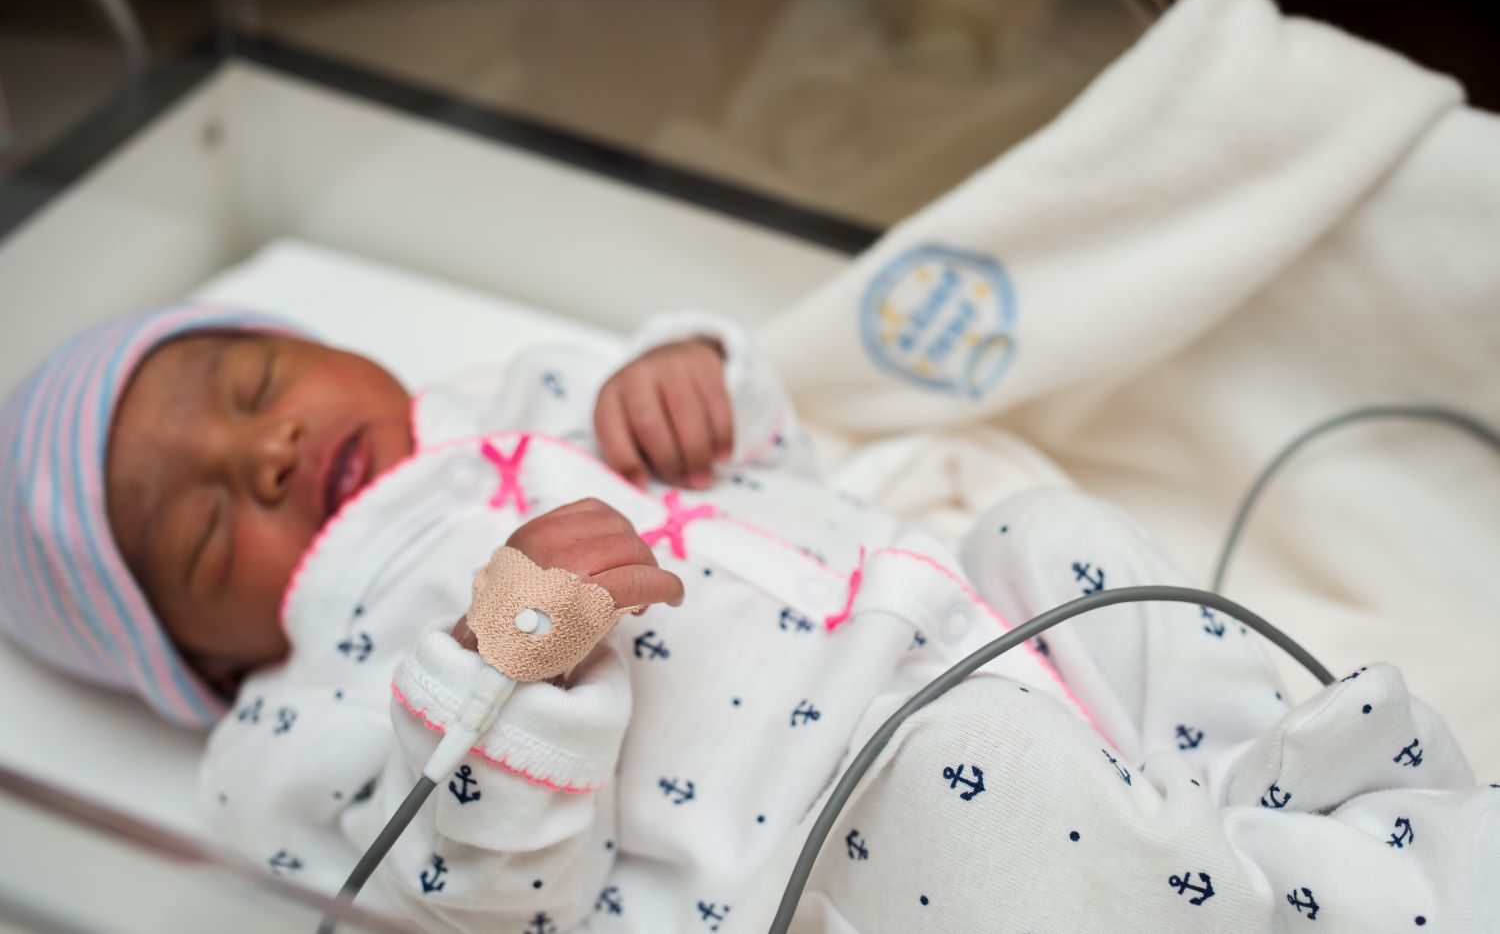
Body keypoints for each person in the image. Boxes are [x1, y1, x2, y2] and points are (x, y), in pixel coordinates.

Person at [1, 304, 1491, 932]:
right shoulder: (281, 728)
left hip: (956, 612)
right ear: (192, 658)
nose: (258, 454)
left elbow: (772, 472)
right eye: (205, 529)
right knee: (1031, 821)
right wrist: (508, 670)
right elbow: (481, 896)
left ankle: (1305, 806)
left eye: (257, 388)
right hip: (847, 803)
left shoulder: (531, 397)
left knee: (1054, 528)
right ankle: (1268, 892)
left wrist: (694, 383)